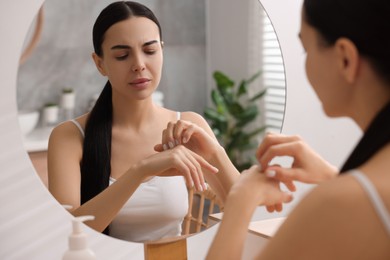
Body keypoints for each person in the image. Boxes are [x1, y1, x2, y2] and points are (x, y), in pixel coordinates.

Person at [159, 0, 390, 258]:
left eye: (305, 49)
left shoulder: (335, 203)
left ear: (345, 58)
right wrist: (333, 176)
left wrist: (240, 200)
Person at [47, 1, 240, 243]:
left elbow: (243, 210)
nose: (139, 64)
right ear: (100, 63)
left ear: (162, 51)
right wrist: (141, 171)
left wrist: (215, 152)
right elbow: (67, 234)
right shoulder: (69, 136)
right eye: (122, 55)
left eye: (150, 51)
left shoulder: (189, 125)